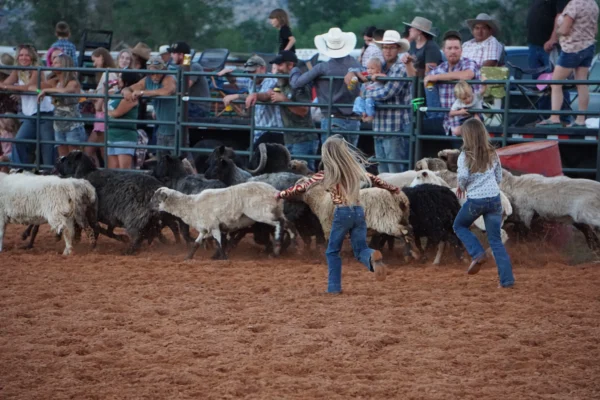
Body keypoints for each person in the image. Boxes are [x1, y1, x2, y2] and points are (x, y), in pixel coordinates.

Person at [277, 135, 397, 294]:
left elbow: (302, 187)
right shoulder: (355, 170)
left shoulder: (325, 173)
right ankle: (372, 259)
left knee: (332, 251)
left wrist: (281, 194)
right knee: (360, 249)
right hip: (359, 212)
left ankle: (334, 288)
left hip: (342, 212)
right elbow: (376, 179)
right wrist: (393, 189)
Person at [453, 118, 515, 289]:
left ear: (467, 136)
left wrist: (461, 186)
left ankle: (477, 253)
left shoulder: (465, 155)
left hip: (476, 200)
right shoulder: (493, 153)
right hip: (494, 199)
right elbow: (498, 177)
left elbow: (464, 176)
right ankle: (507, 280)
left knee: (459, 225)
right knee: (495, 241)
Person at [291, 28, 362, 147]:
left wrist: (295, 70)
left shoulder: (322, 68)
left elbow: (296, 83)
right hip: (353, 120)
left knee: (331, 159)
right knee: (351, 159)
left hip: (332, 118)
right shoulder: (356, 66)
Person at [537, 0, 599, 128]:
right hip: (588, 47)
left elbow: (565, 30)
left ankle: (554, 117)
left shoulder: (574, 4)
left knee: (556, 82)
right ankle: (580, 120)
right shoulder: (593, 4)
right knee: (581, 83)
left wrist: (558, 31)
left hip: (572, 49)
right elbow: (595, 29)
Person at [364, 30, 412, 173]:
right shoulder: (381, 66)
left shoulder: (400, 67)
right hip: (380, 125)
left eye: (391, 47)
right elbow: (364, 74)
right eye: (385, 47)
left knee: (394, 170)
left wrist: (367, 93)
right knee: (383, 170)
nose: (388, 50)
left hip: (394, 126)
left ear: (397, 49)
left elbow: (388, 92)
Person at [0, 44, 55, 169]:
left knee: (47, 146)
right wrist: (6, 86)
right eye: (21, 55)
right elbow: (5, 83)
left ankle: (49, 174)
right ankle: (21, 170)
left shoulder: (37, 69)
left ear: (32, 57)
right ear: (17, 57)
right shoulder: (18, 70)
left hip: (44, 112)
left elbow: (28, 87)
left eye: (26, 55)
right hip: (30, 114)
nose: (23, 58)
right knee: (20, 141)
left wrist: (8, 87)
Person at [424, 30, 481, 143]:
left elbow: (468, 75)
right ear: (444, 50)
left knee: (467, 158)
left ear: (461, 50)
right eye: (449, 48)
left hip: (466, 120)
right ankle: (434, 115)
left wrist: (436, 78)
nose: (453, 51)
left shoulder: (469, 63)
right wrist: (430, 78)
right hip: (446, 123)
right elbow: (427, 80)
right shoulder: (440, 68)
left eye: (456, 48)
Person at [267, 50, 320, 170]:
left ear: (290, 65)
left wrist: (283, 100)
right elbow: (268, 95)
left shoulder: (300, 83)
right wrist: (254, 95)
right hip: (292, 138)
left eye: (280, 65)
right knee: (295, 175)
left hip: (303, 139)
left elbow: (304, 111)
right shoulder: (282, 83)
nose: (277, 68)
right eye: (276, 65)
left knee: (303, 175)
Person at [219, 55, 284, 144]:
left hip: (273, 131)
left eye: (253, 71)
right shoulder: (251, 80)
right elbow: (234, 81)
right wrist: (227, 74)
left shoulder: (272, 80)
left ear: (263, 68)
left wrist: (238, 96)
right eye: (248, 72)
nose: (250, 74)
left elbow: (264, 96)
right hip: (259, 131)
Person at [122, 56, 177, 157]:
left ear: (163, 70)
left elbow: (167, 91)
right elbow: (131, 88)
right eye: (152, 73)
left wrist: (142, 92)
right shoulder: (147, 80)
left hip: (176, 129)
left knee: (182, 160)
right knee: (163, 161)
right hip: (162, 129)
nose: (155, 76)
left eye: (158, 72)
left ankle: (193, 173)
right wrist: (126, 91)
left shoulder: (169, 78)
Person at [38, 53, 86, 157]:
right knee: (62, 156)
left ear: (64, 64)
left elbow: (66, 90)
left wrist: (46, 90)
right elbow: (34, 87)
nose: (52, 65)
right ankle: (64, 173)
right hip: (58, 123)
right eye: (53, 62)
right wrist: (39, 90)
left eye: (56, 63)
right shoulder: (54, 82)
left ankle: (74, 173)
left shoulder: (73, 82)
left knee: (74, 156)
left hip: (72, 123)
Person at [86, 48, 118, 166]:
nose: (94, 64)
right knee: (98, 150)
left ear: (102, 58)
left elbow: (112, 92)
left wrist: (96, 98)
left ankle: (103, 174)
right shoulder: (108, 73)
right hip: (101, 115)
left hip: (103, 115)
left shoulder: (108, 73)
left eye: (95, 61)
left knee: (100, 151)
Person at [526, 0, 569, 78]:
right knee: (537, 82)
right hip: (533, 43)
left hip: (550, 46)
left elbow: (561, 16)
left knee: (553, 80)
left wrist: (553, 39)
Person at [106, 71, 141, 169]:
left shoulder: (131, 96)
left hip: (124, 136)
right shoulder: (116, 93)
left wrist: (107, 112)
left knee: (124, 171)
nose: (118, 79)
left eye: (120, 77)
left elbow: (117, 113)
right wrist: (105, 89)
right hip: (111, 135)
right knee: (112, 170)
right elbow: (100, 107)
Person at [352, 57, 384, 122]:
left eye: (372, 68)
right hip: (366, 98)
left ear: (378, 70)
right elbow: (356, 72)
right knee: (358, 99)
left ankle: (370, 116)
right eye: (368, 68)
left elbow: (385, 76)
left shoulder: (380, 77)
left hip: (375, 100)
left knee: (368, 100)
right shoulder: (367, 76)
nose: (369, 70)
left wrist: (377, 75)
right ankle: (362, 113)